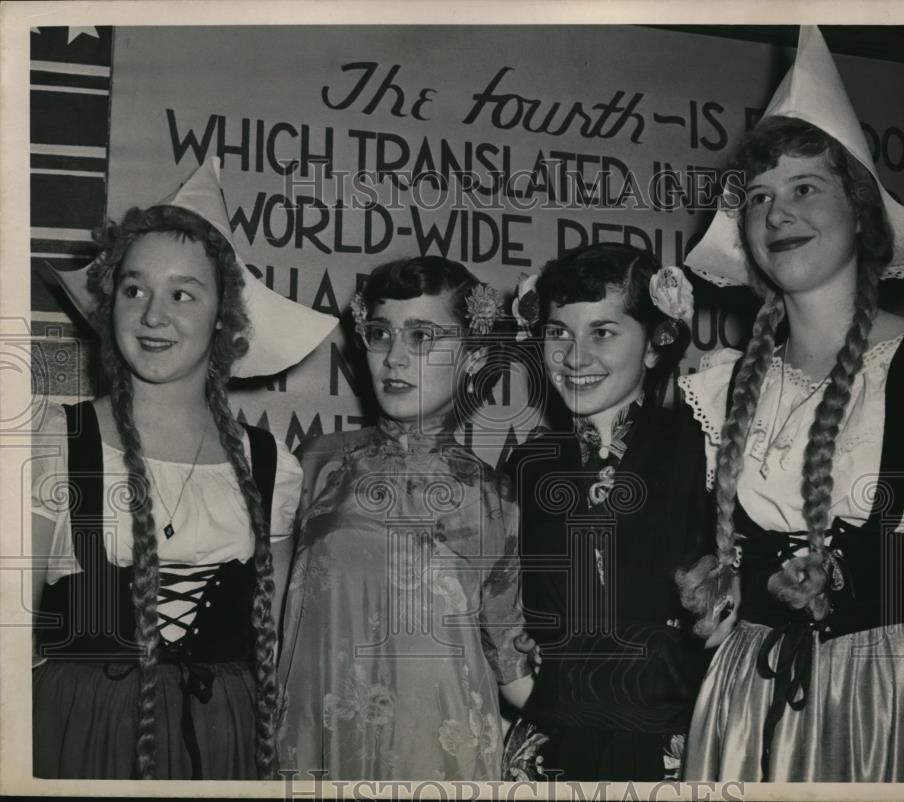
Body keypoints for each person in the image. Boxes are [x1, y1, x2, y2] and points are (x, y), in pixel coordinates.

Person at [675, 27, 904, 782]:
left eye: (806, 187)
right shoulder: (724, 385)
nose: (778, 214)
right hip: (746, 711)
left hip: (887, 707)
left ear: (863, 213)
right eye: (760, 199)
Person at [31, 158, 336, 779]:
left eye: (183, 293)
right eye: (135, 288)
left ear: (224, 315)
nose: (152, 315)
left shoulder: (269, 465)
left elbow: (273, 643)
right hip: (82, 731)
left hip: (227, 740)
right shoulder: (54, 441)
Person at [276, 256, 533, 780]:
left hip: (442, 759)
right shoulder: (315, 465)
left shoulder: (495, 499)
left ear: (472, 356)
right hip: (316, 745)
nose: (394, 358)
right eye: (380, 333)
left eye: (423, 337)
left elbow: (515, 672)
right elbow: (266, 627)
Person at [501, 243, 714, 781]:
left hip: (671, 733)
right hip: (552, 735)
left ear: (654, 343)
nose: (574, 357)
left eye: (602, 332)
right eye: (558, 333)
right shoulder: (528, 465)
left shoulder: (700, 446)